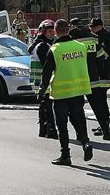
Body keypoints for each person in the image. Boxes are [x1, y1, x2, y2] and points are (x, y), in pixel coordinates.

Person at [39, 19, 93, 166]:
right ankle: (86, 144)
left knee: (62, 125)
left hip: (61, 94)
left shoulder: (55, 50)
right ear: (68, 30)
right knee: (79, 120)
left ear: (56, 31)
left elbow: (46, 73)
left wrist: (43, 90)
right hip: (78, 92)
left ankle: (65, 155)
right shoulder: (81, 47)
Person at [69, 17, 110, 141]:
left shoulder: (71, 40)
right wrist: (97, 72)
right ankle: (106, 131)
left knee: (76, 108)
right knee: (98, 106)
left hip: (77, 79)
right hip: (93, 78)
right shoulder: (93, 38)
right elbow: (101, 58)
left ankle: (81, 135)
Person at [28, 19, 57, 139]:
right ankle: (51, 129)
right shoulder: (43, 46)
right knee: (48, 105)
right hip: (42, 81)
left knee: (44, 104)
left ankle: (43, 129)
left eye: (53, 31)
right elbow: (47, 65)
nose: (52, 34)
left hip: (38, 80)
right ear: (43, 32)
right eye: (49, 32)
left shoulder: (40, 44)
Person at [89, 17, 110, 137]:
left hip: (103, 74)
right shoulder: (100, 37)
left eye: (93, 26)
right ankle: (103, 124)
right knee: (101, 100)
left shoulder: (104, 38)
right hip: (101, 73)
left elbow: (105, 55)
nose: (91, 28)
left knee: (101, 101)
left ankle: (105, 124)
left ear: (100, 26)